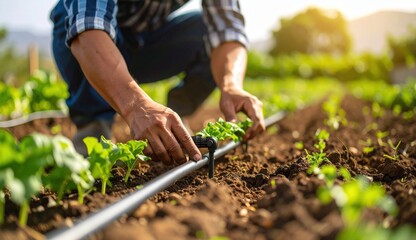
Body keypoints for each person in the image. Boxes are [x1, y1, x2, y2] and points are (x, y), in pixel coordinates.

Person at [50, 0, 265, 165]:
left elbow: (227, 30)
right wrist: (136, 105)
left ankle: (175, 122)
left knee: (205, 29)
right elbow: (87, 28)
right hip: (94, 41)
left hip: (146, 43)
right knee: (70, 19)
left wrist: (231, 85)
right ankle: (93, 129)